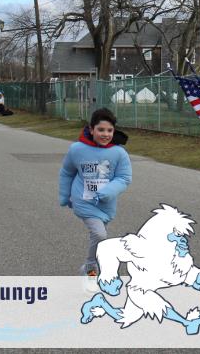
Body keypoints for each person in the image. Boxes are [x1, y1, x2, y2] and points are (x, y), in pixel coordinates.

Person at [59, 108, 132, 278]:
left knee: (99, 238)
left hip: (106, 204)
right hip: (83, 201)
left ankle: (91, 267)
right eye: (101, 130)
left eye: (109, 130)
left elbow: (124, 178)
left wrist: (108, 192)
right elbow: (67, 172)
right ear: (91, 130)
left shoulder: (119, 153)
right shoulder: (77, 149)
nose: (105, 134)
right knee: (100, 234)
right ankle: (90, 268)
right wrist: (64, 195)